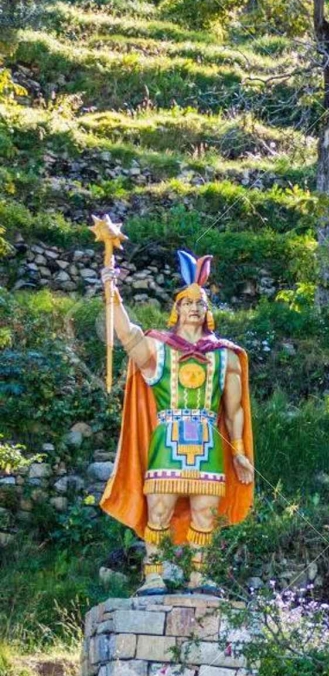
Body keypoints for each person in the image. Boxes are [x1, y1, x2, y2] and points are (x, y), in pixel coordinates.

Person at [100, 251, 256, 595]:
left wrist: (240, 451)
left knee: (205, 514)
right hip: (167, 439)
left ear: (208, 311)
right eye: (188, 303)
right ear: (177, 309)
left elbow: (234, 412)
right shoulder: (159, 348)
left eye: (201, 303)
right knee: (159, 511)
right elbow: (128, 336)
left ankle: (199, 577)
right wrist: (113, 294)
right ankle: (153, 576)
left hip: (209, 443)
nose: (194, 308)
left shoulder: (225, 355)